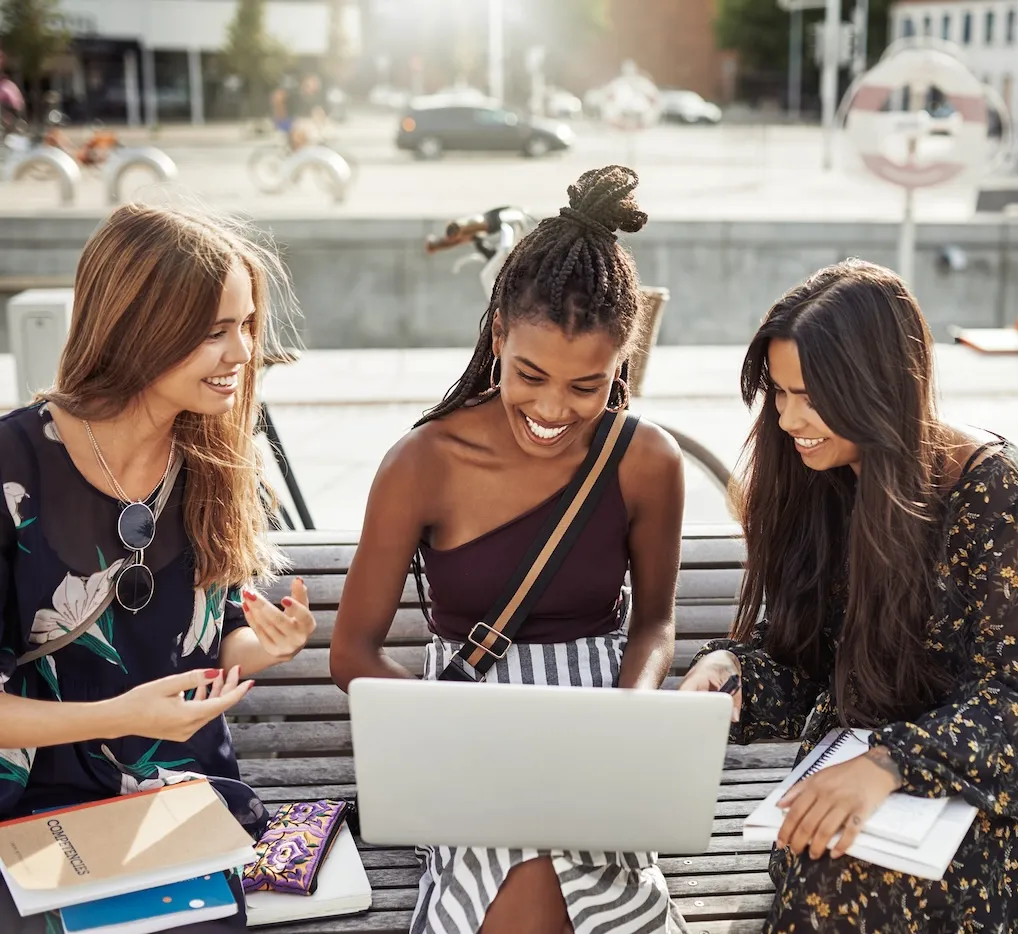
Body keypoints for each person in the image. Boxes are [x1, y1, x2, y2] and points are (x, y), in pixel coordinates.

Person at [679, 260, 1018, 934]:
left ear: (873, 388)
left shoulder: (991, 494)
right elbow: (807, 659)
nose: (789, 418)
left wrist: (892, 763)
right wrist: (734, 675)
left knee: (887, 891)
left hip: (1008, 783)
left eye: (811, 394)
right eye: (778, 392)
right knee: (829, 866)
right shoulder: (814, 480)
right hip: (864, 767)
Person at [330, 165, 688, 934]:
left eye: (588, 386)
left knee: (561, 870)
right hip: (462, 725)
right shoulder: (423, 461)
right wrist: (455, 730)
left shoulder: (647, 460)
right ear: (497, 334)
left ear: (623, 360)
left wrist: (630, 719)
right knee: (524, 874)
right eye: (530, 374)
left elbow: (655, 623)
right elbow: (351, 651)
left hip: (598, 724)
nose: (555, 408)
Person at [0, 204, 318, 931]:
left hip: (177, 800)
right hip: (29, 809)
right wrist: (120, 716)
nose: (241, 351)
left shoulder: (218, 459)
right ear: (138, 328)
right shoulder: (11, 468)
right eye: (214, 332)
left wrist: (260, 647)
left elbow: (206, 651)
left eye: (245, 325)